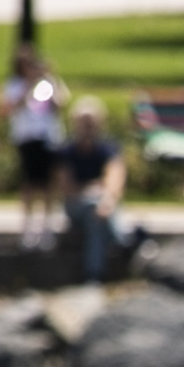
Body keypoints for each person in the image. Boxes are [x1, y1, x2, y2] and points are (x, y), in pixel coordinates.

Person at [0, 44, 65, 250]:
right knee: (29, 183)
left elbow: (60, 104)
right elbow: (8, 109)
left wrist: (49, 80)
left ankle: (46, 226)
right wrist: (27, 87)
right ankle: (27, 226)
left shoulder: (47, 84)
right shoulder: (14, 85)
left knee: (47, 185)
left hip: (47, 138)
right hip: (26, 138)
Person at [60, 97, 129, 280]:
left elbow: (115, 178)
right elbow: (67, 188)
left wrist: (105, 199)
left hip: (102, 206)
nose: (87, 127)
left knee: (95, 219)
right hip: (76, 205)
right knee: (93, 206)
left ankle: (94, 275)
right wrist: (92, 190)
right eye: (84, 122)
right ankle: (124, 240)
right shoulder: (68, 151)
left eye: (91, 122)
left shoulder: (108, 149)